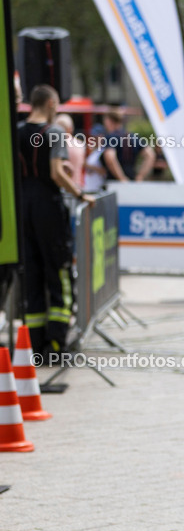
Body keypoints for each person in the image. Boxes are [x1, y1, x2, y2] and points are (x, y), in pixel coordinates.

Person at [16, 85, 95, 354]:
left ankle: (34, 342)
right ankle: (56, 342)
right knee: (59, 273)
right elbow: (55, 174)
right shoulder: (54, 133)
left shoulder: (15, 132)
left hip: (22, 208)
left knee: (33, 274)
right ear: (50, 103)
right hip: (48, 208)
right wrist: (80, 193)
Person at [99, 110, 155, 183]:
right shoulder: (133, 137)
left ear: (109, 121)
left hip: (114, 182)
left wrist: (121, 178)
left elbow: (109, 157)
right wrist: (140, 176)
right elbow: (150, 155)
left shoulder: (111, 137)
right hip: (132, 179)